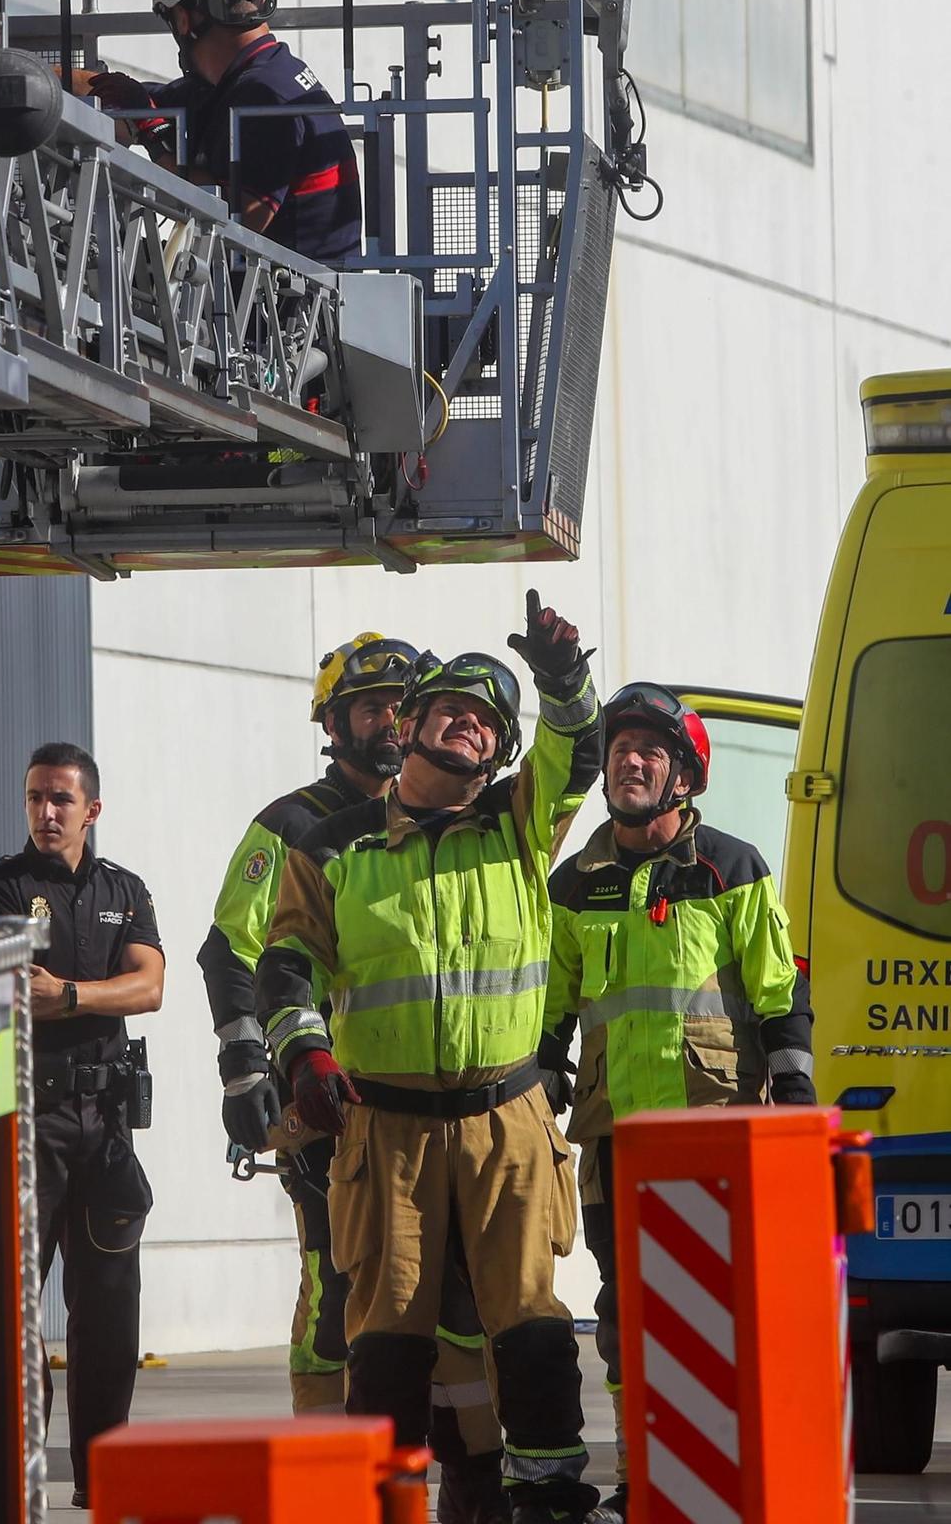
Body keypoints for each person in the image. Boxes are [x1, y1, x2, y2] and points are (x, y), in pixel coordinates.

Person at [257, 594, 604, 1524]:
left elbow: (577, 755)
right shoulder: (330, 846)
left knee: (530, 1322)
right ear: (408, 724)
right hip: (387, 1129)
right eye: (454, 706)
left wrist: (561, 679)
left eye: (491, 721)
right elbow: (283, 962)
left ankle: (545, 1495)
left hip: (509, 1125)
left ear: (497, 754)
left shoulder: (519, 829)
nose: (472, 724)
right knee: (387, 1338)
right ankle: (386, 1503)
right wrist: (302, 1057)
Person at [198, 633, 503, 1522]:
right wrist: (244, 1066)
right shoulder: (292, 826)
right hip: (323, 1100)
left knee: (454, 1293)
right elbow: (232, 949)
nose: (384, 719)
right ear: (332, 725)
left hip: (428, 1102)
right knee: (337, 1281)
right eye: (366, 705)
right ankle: (326, 1476)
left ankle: (466, 1471)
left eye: (396, 704)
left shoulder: (453, 817)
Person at [539, 683, 817, 1524]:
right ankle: (643, 1484)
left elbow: (779, 995)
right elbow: (548, 1013)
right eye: (621, 746)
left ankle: (731, 1476)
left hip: (713, 1137)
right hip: (615, 1140)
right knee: (625, 1316)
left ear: (684, 779)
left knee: (719, 1313)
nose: (629, 759)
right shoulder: (570, 886)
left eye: (650, 751)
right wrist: (536, 1090)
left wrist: (795, 1097)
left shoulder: (731, 869)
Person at [0, 743, 163, 1511]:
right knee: (15, 1312)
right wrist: (69, 994)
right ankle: (20, 1476)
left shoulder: (124, 889)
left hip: (106, 1125)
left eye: (61, 801)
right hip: (27, 1123)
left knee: (108, 1310)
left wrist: (73, 995)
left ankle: (102, 1474)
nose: (46, 813)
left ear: (92, 810)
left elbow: (149, 986)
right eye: (35, 798)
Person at [87, 0, 361, 262]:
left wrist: (156, 139)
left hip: (282, 304)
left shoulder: (264, 96)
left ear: (182, 19)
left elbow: (233, 226)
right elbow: (124, 99)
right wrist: (35, 77)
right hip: (277, 299)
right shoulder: (252, 81)